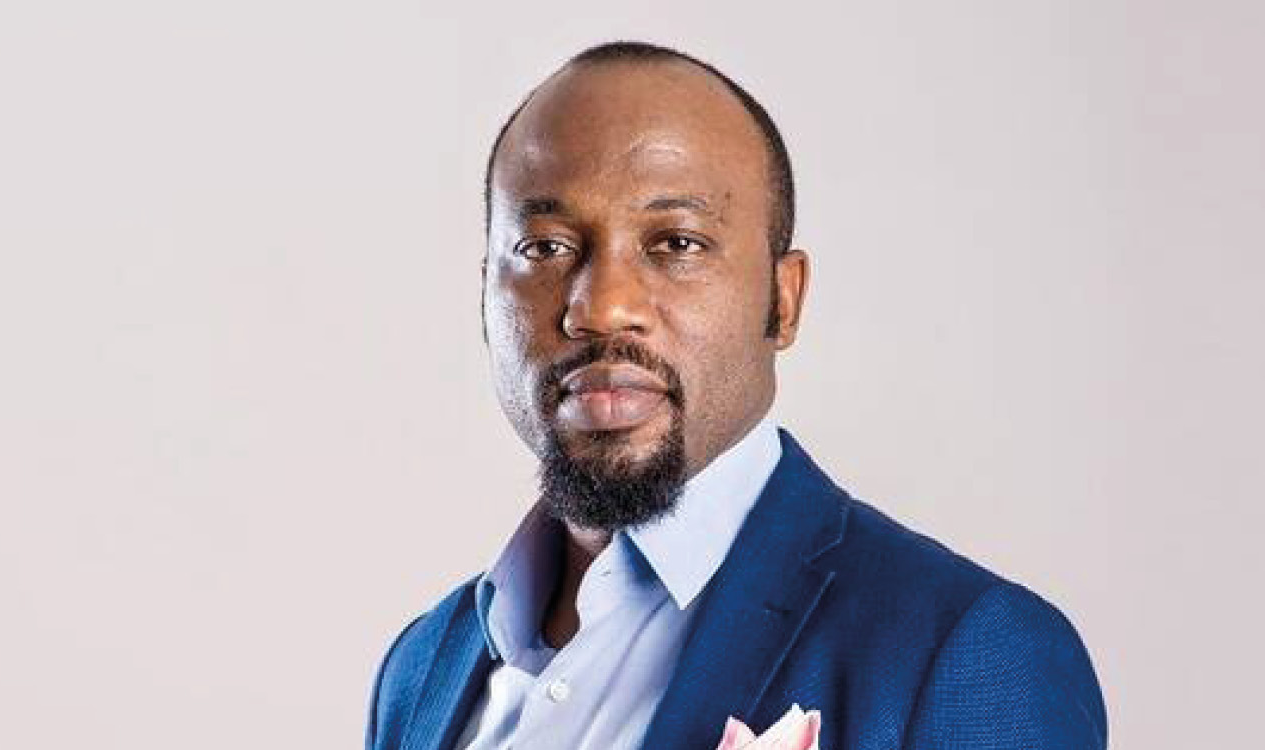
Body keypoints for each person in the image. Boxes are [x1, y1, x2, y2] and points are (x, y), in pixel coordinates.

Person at [367, 41, 1107, 750]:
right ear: (485, 296)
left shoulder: (967, 654)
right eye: (546, 248)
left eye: (676, 243)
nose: (602, 307)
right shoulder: (419, 669)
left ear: (784, 300)